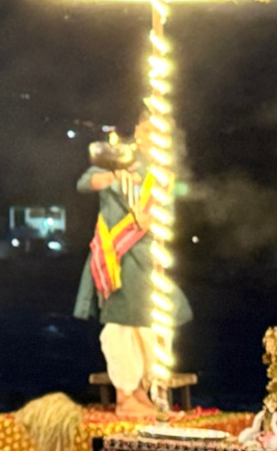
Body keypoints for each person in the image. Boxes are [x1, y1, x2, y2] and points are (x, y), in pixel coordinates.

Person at [73, 127, 192, 419]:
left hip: (146, 257)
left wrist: (151, 218)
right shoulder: (118, 161)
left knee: (148, 328)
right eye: (147, 131)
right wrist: (118, 176)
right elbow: (85, 183)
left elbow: (166, 214)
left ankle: (142, 395)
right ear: (139, 133)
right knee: (121, 325)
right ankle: (126, 396)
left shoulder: (161, 173)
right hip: (117, 258)